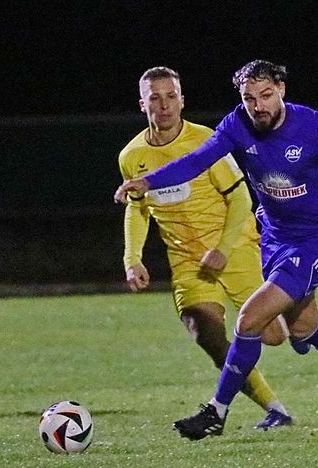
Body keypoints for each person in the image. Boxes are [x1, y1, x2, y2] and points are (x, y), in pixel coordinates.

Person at [115, 60, 318, 440]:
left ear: (281, 89)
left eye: (265, 96)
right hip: (274, 239)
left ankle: (216, 413)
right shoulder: (237, 125)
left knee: (248, 321)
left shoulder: (311, 125)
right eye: (250, 99)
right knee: (303, 327)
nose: (258, 106)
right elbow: (197, 161)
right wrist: (148, 182)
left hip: (317, 239)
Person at [119, 66, 292, 430]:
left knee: (275, 336)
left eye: (171, 96)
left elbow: (241, 198)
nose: (164, 105)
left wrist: (224, 248)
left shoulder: (206, 142)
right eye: (155, 97)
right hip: (187, 262)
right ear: (142, 104)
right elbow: (138, 208)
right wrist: (132, 258)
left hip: (235, 248)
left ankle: (306, 314)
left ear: (182, 101)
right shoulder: (131, 156)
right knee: (206, 332)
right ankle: (275, 409)